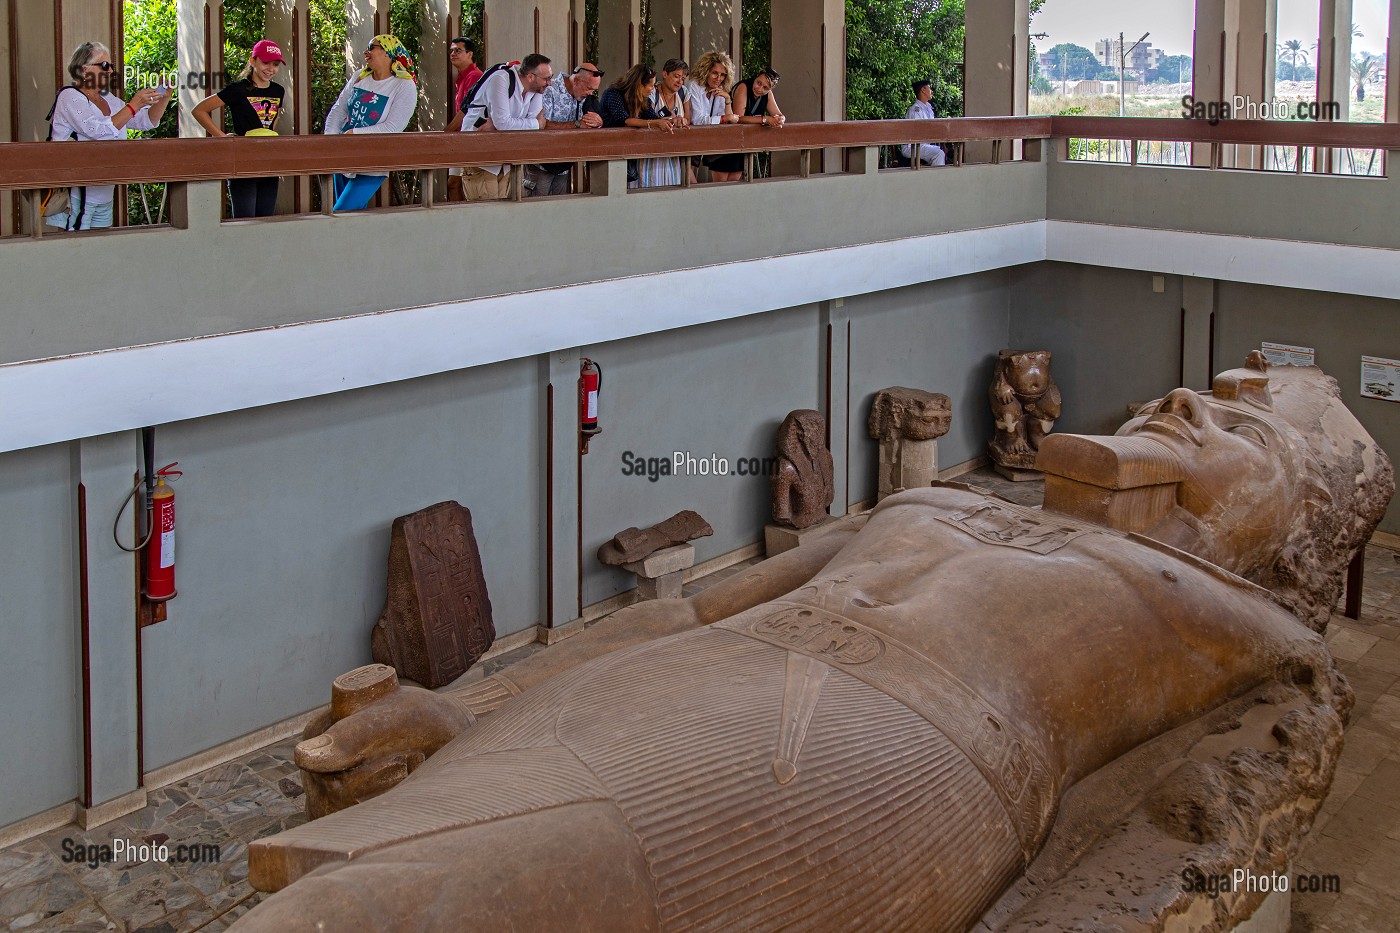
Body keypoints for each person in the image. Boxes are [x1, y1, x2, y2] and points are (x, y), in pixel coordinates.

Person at [238, 360, 1391, 933]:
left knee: (381, 914)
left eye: (1238, 426)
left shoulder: (1239, 621)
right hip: (668, 690)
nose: (1186, 400)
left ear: (1294, 527)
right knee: (331, 880)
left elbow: (1203, 815)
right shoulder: (935, 505)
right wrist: (479, 714)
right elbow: (692, 612)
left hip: (878, 761)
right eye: (1189, 395)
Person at [44, 42, 170, 230]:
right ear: (84, 69)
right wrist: (134, 104)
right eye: (104, 66)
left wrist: (164, 96)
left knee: (100, 251)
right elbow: (96, 130)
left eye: (111, 66)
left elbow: (145, 122)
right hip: (78, 194)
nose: (110, 71)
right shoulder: (69, 96)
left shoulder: (108, 99)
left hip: (104, 190)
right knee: (77, 251)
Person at [322, 34, 418, 212]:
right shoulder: (360, 77)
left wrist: (354, 134)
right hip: (343, 155)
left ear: (387, 53)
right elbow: (339, 110)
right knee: (354, 218)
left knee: (342, 211)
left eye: (372, 47)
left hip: (373, 160)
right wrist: (331, 139)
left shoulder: (404, 85)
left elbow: (394, 127)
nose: (366, 52)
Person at [192, 40, 287, 218]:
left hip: (269, 162)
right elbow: (199, 110)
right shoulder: (238, 89)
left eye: (275, 64)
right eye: (265, 62)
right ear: (253, 61)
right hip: (242, 161)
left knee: (266, 221)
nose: (270, 68)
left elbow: (272, 122)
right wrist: (222, 137)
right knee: (244, 222)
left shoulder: (278, 91)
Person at [456, 53, 553, 201]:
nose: (550, 83)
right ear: (530, 76)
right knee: (485, 214)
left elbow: (527, 128)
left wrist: (508, 124)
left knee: (504, 214)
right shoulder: (501, 79)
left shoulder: (537, 90)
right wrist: (534, 124)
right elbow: (505, 123)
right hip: (481, 158)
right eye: (546, 79)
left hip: (507, 160)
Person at [526, 63, 605, 197]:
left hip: (564, 164)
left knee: (560, 209)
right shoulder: (549, 89)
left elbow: (592, 123)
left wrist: (598, 121)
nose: (590, 93)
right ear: (576, 81)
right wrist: (577, 124)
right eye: (589, 88)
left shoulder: (585, 98)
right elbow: (541, 125)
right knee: (536, 209)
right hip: (542, 163)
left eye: (594, 90)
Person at [599, 65, 679, 188]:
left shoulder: (643, 99)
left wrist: (674, 120)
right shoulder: (613, 93)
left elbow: (653, 118)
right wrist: (654, 123)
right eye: (651, 86)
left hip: (628, 151)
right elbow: (624, 120)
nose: (653, 89)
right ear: (639, 85)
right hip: (608, 149)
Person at [705, 67, 783, 181]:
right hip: (726, 138)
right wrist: (765, 119)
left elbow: (778, 114)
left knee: (734, 182)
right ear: (756, 77)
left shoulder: (768, 95)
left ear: (770, 89)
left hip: (742, 142)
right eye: (758, 83)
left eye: (765, 88)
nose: (759, 88)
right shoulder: (743, 87)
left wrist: (781, 119)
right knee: (720, 183)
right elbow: (738, 118)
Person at [685, 51, 741, 181]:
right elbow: (697, 120)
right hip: (691, 137)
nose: (718, 78)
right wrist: (725, 118)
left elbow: (728, 122)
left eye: (722, 75)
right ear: (706, 71)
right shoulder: (694, 86)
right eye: (715, 73)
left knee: (733, 156)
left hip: (710, 138)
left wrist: (727, 99)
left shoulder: (720, 89)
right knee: (688, 178)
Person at [444, 37, 483, 201]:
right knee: (454, 182)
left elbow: (467, 111)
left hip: (469, 139)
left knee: (462, 184)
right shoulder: (461, 77)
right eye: (451, 51)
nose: (453, 54)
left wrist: (446, 132)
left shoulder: (474, 76)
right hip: (459, 138)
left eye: (458, 50)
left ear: (470, 54)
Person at [646, 58, 690, 185]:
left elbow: (688, 119)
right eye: (676, 76)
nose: (680, 82)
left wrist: (682, 121)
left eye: (683, 79)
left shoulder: (683, 92)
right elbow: (647, 116)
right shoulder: (652, 92)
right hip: (652, 153)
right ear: (665, 74)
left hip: (674, 153)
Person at [901, 79, 946, 167]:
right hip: (912, 147)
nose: (931, 91)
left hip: (922, 145)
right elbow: (920, 132)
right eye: (929, 88)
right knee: (938, 154)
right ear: (923, 90)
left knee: (940, 151)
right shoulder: (915, 110)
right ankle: (937, 180)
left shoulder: (928, 108)